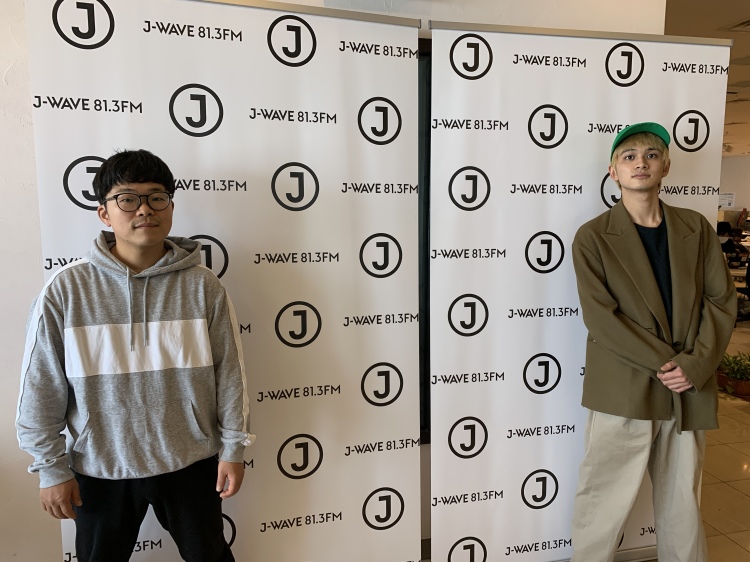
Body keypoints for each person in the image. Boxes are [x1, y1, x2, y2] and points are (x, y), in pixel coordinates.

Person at [16, 149, 254, 562]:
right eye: (127, 199)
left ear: (171, 207)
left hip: (190, 461)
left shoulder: (203, 286)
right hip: (100, 466)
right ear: (104, 213)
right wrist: (50, 467)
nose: (144, 209)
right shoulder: (65, 290)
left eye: (156, 197)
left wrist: (234, 448)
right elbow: (41, 384)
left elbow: (229, 375)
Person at [570, 122, 736, 561]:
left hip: (688, 388)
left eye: (651, 154)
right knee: (602, 504)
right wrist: (671, 364)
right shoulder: (592, 236)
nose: (640, 163)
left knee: (683, 504)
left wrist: (695, 365)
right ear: (613, 171)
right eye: (629, 157)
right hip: (623, 388)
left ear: (666, 166)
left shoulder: (696, 227)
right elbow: (602, 319)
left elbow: (721, 301)